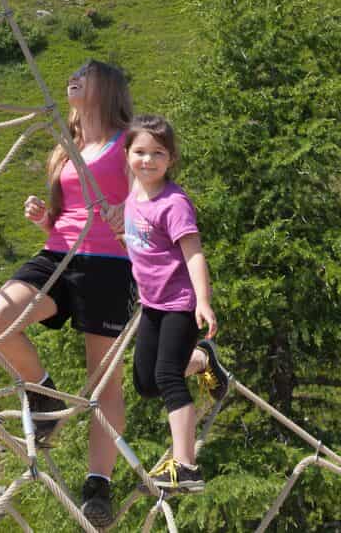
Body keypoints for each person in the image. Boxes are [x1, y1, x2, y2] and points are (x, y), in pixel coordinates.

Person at [0, 61, 135, 528]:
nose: (73, 78)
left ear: (106, 87)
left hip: (108, 264)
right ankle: (44, 394)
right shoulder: (66, 147)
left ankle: (98, 485)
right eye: (72, 73)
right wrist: (45, 218)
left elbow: (155, 197)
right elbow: (67, 212)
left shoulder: (128, 141)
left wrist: (123, 212)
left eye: (84, 74)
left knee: (104, 377)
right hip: (58, 256)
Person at [122, 115, 226, 494]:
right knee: (145, 384)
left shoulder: (174, 203)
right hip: (151, 304)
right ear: (128, 154)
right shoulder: (133, 193)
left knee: (166, 377)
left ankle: (187, 467)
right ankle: (201, 360)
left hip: (180, 303)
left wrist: (203, 301)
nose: (147, 161)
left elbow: (194, 254)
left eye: (157, 154)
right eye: (140, 152)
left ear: (171, 159)